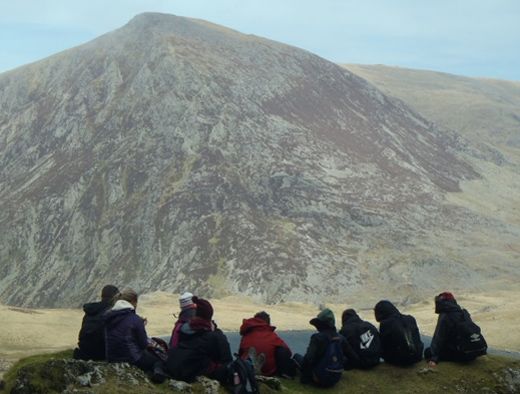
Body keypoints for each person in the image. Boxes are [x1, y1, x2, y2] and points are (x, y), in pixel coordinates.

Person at [165, 296, 233, 383]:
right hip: (188, 373)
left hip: (174, 366)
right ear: (209, 314)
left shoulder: (182, 328)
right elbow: (227, 360)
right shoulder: (214, 336)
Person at [104, 289, 164, 375]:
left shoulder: (108, 316)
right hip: (132, 358)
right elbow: (143, 344)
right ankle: (158, 377)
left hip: (111, 357)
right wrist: (141, 326)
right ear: (133, 301)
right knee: (157, 361)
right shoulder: (135, 319)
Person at [295, 308, 358, 388]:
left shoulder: (317, 338)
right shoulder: (341, 338)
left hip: (318, 378)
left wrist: (304, 379)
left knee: (296, 357)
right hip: (336, 378)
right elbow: (354, 359)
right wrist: (339, 366)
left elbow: (308, 359)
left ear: (320, 325)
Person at [425, 292, 487, 367]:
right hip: (472, 353)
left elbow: (439, 337)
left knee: (427, 352)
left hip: (460, 354)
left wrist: (434, 358)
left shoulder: (445, 315)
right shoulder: (463, 312)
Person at [238, 311, 295, 377]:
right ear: (268, 323)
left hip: (247, 368)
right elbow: (287, 352)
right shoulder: (271, 335)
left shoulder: (246, 335)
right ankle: (284, 373)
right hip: (268, 371)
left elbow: (241, 352)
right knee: (282, 350)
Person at [73, 284, 119, 361]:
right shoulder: (111, 312)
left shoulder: (91, 311)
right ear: (115, 297)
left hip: (85, 351)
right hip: (100, 353)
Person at [374, 300, 423, 366]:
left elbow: (384, 345)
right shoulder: (410, 318)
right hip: (417, 357)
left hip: (399, 360)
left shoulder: (385, 324)